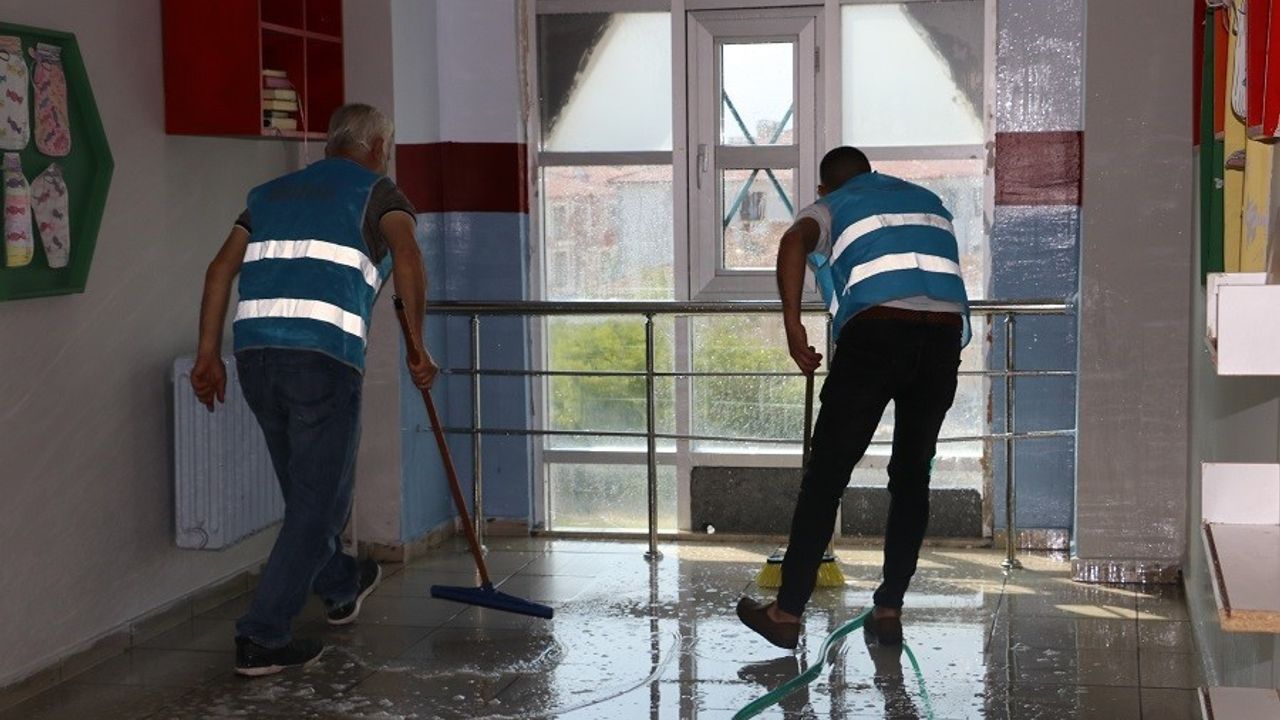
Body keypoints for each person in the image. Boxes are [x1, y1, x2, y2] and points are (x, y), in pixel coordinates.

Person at [190, 103, 438, 676]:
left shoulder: (267, 196)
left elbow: (219, 270)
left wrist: (207, 356)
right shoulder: (379, 194)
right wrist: (417, 347)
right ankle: (262, 636)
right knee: (319, 505)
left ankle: (342, 583)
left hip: (255, 360)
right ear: (378, 147)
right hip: (322, 363)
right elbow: (407, 257)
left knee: (308, 497)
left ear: (331, 144)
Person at [737, 146, 969, 649]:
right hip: (942, 337)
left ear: (825, 187)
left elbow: (792, 243)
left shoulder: (832, 206)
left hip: (878, 334)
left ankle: (786, 613)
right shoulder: (926, 200)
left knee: (826, 477)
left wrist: (793, 326)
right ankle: (888, 610)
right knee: (912, 476)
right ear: (871, 173)